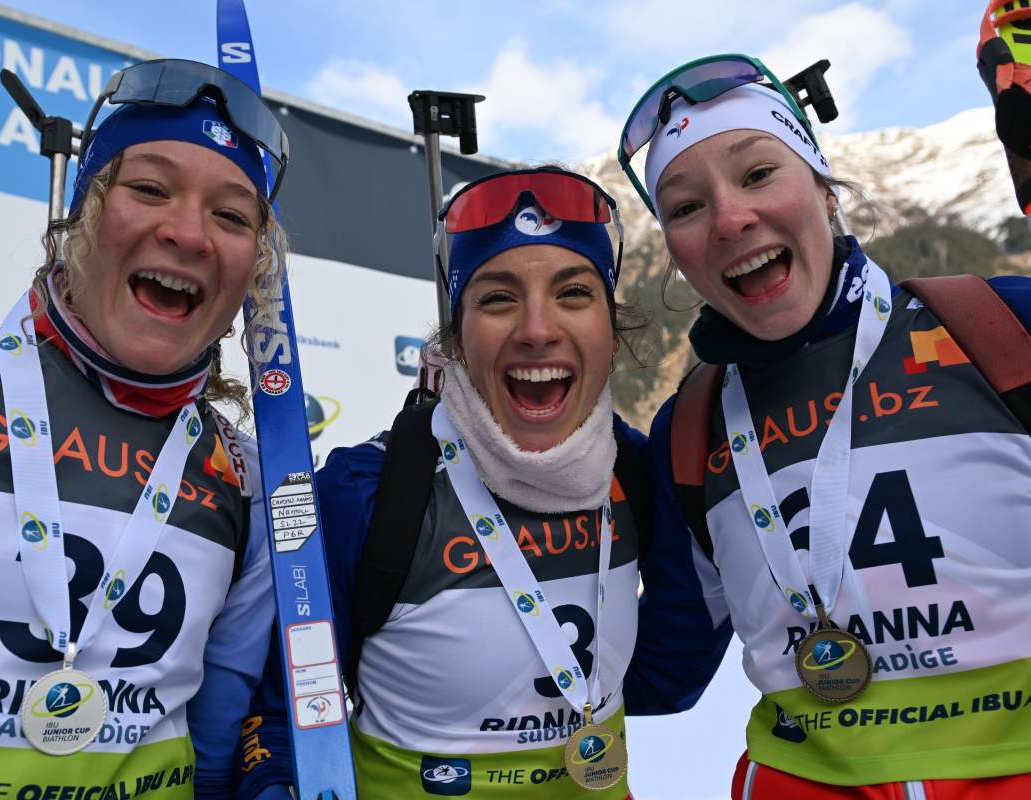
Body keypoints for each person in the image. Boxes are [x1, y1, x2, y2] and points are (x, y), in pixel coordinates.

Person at [0, 58, 291, 796]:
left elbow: (215, 733)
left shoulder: (249, 473)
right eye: (148, 188)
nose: (189, 233)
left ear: (253, 271)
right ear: (82, 215)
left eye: (231, 215)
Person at [233, 166, 732, 799]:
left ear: (613, 329)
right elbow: (275, 718)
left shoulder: (642, 470)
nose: (536, 329)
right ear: (456, 339)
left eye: (574, 293)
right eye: (497, 298)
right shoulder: (367, 493)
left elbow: (671, 672)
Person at [616, 53, 1031, 797]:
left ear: (824, 188)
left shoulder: (999, 328)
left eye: (756, 174)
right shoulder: (693, 427)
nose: (730, 219)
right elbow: (661, 674)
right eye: (685, 207)